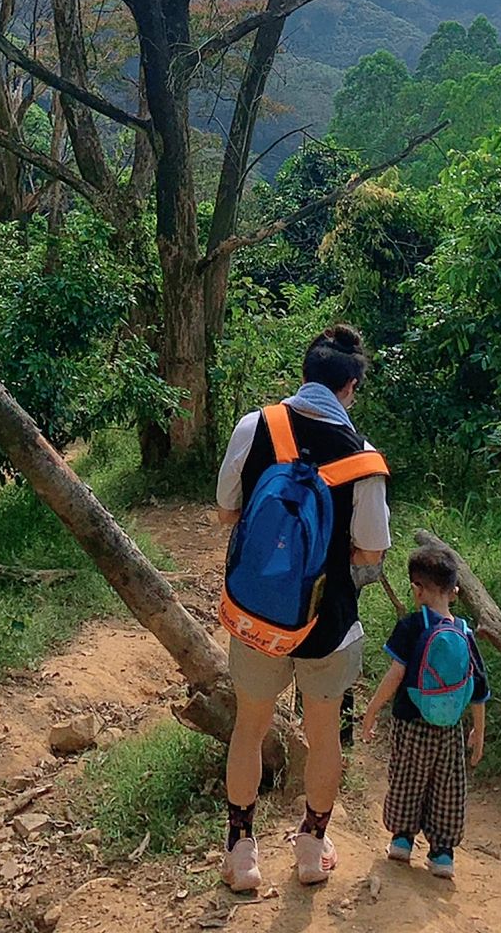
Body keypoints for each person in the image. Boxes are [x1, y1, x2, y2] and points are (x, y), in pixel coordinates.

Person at [215, 324, 390, 892]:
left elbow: (226, 513)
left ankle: (242, 851)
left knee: (249, 726)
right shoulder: (364, 461)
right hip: (330, 622)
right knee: (323, 736)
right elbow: (371, 549)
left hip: (259, 616)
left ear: (306, 374)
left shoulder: (256, 426)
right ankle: (311, 848)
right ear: (351, 386)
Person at [360, 548, 488, 881]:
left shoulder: (412, 626)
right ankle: (443, 853)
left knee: (407, 778)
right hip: (449, 729)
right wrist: (478, 732)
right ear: (455, 591)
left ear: (418, 589)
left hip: (410, 721)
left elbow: (395, 675)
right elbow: (478, 688)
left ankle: (402, 839)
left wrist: (373, 710)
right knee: (447, 785)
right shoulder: (464, 632)